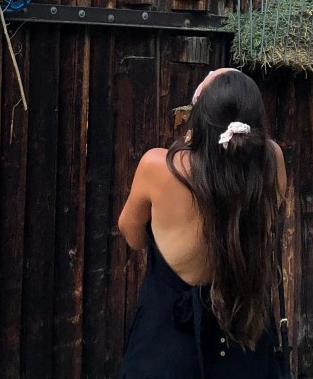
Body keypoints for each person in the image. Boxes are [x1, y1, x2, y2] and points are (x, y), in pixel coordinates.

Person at [117, 67, 289, 378]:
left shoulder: (158, 167)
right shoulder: (272, 160)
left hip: (168, 346)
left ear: (199, 118)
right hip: (244, 334)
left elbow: (133, 235)